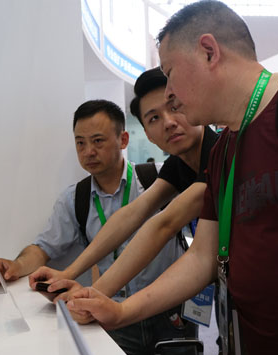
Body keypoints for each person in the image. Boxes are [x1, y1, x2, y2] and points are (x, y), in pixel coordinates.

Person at [67, 1, 278, 355]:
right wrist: (122, 310)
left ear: (209, 51)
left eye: (170, 74)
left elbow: (163, 223)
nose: (170, 95)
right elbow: (202, 256)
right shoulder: (226, 149)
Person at [0, 99, 185, 355]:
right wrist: (16, 266)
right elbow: (43, 248)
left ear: (123, 139)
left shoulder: (158, 181)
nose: (88, 151)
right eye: (80, 143)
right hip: (112, 311)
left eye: (98, 141)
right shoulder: (76, 199)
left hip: (169, 310)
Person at [30, 68, 216, 316]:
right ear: (147, 134)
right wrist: (71, 275)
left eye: (174, 107)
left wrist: (105, 302)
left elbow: (164, 224)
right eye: (153, 118)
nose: (169, 122)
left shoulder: (220, 155)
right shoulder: (178, 164)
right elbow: (133, 214)